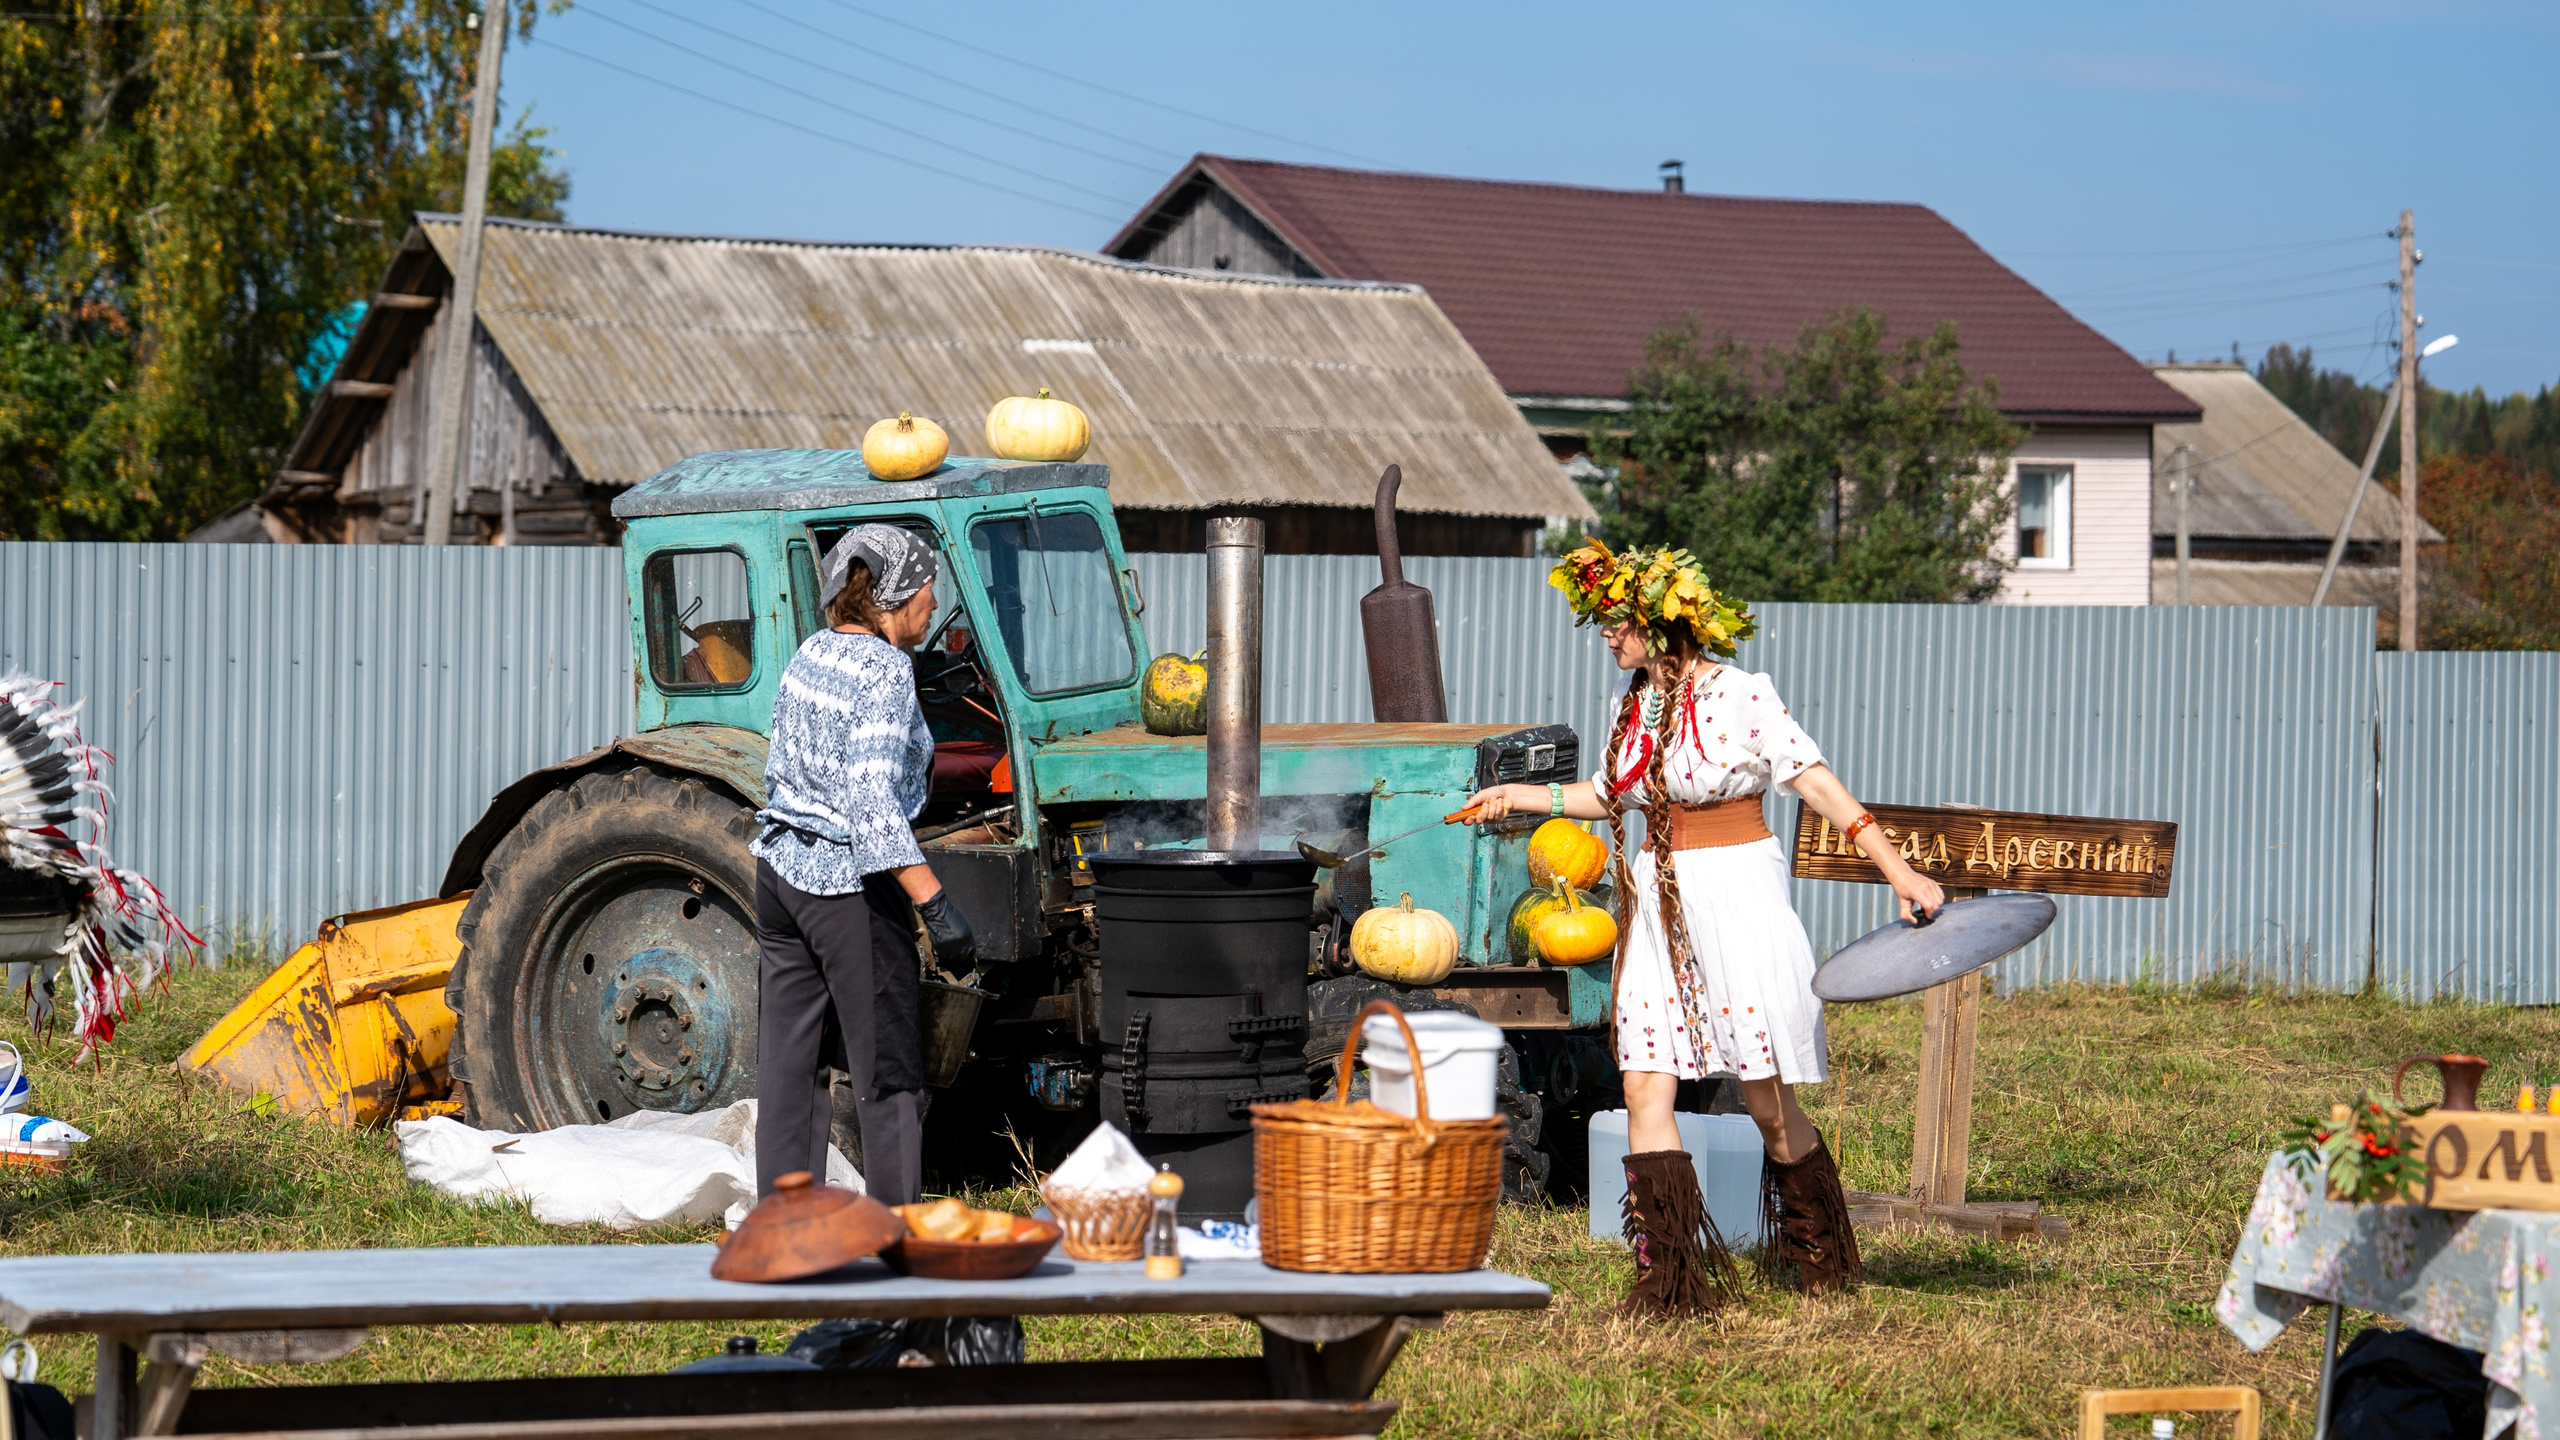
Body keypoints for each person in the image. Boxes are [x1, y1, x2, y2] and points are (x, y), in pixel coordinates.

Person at [1466, 540, 1943, 1314]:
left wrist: (1899, 871)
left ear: (1660, 623)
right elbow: (1607, 793)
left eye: (1615, 621)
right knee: (1644, 1081)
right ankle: (1670, 1281)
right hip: (1658, 901)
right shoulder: (1638, 704)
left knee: (1762, 1097)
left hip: (1733, 896)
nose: (1604, 635)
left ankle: (1821, 1254)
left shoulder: (1739, 694)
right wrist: (1518, 798)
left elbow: (1815, 780)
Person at [751, 524, 978, 1204]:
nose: (933, 607)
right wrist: (935, 903)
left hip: (779, 874)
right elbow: (871, 802)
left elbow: (779, 767)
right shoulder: (885, 671)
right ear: (896, 595)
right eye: (928, 592)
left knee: (792, 1064)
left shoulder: (811, 652)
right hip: (848, 887)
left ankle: (785, 1230)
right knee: (888, 1067)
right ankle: (895, 1240)